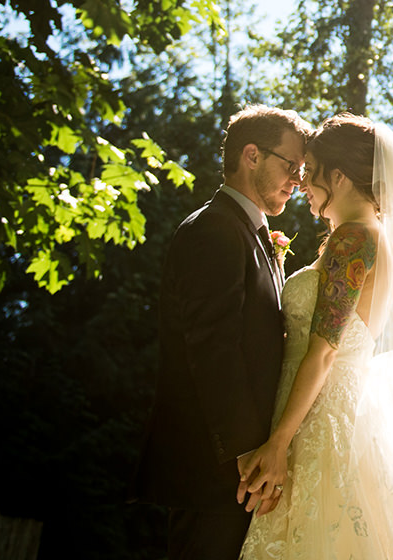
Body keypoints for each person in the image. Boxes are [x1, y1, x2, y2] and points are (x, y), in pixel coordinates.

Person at [236, 114, 393, 560]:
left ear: (338, 176)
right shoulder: (369, 236)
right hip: (340, 415)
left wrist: (277, 445)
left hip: (322, 422)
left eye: (310, 171)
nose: (303, 183)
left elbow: (323, 354)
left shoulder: (353, 241)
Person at [135, 104, 310, 560]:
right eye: (291, 165)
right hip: (215, 472)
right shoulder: (212, 230)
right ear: (252, 155)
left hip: (238, 473)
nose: (299, 179)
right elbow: (214, 350)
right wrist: (250, 458)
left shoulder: (249, 233)